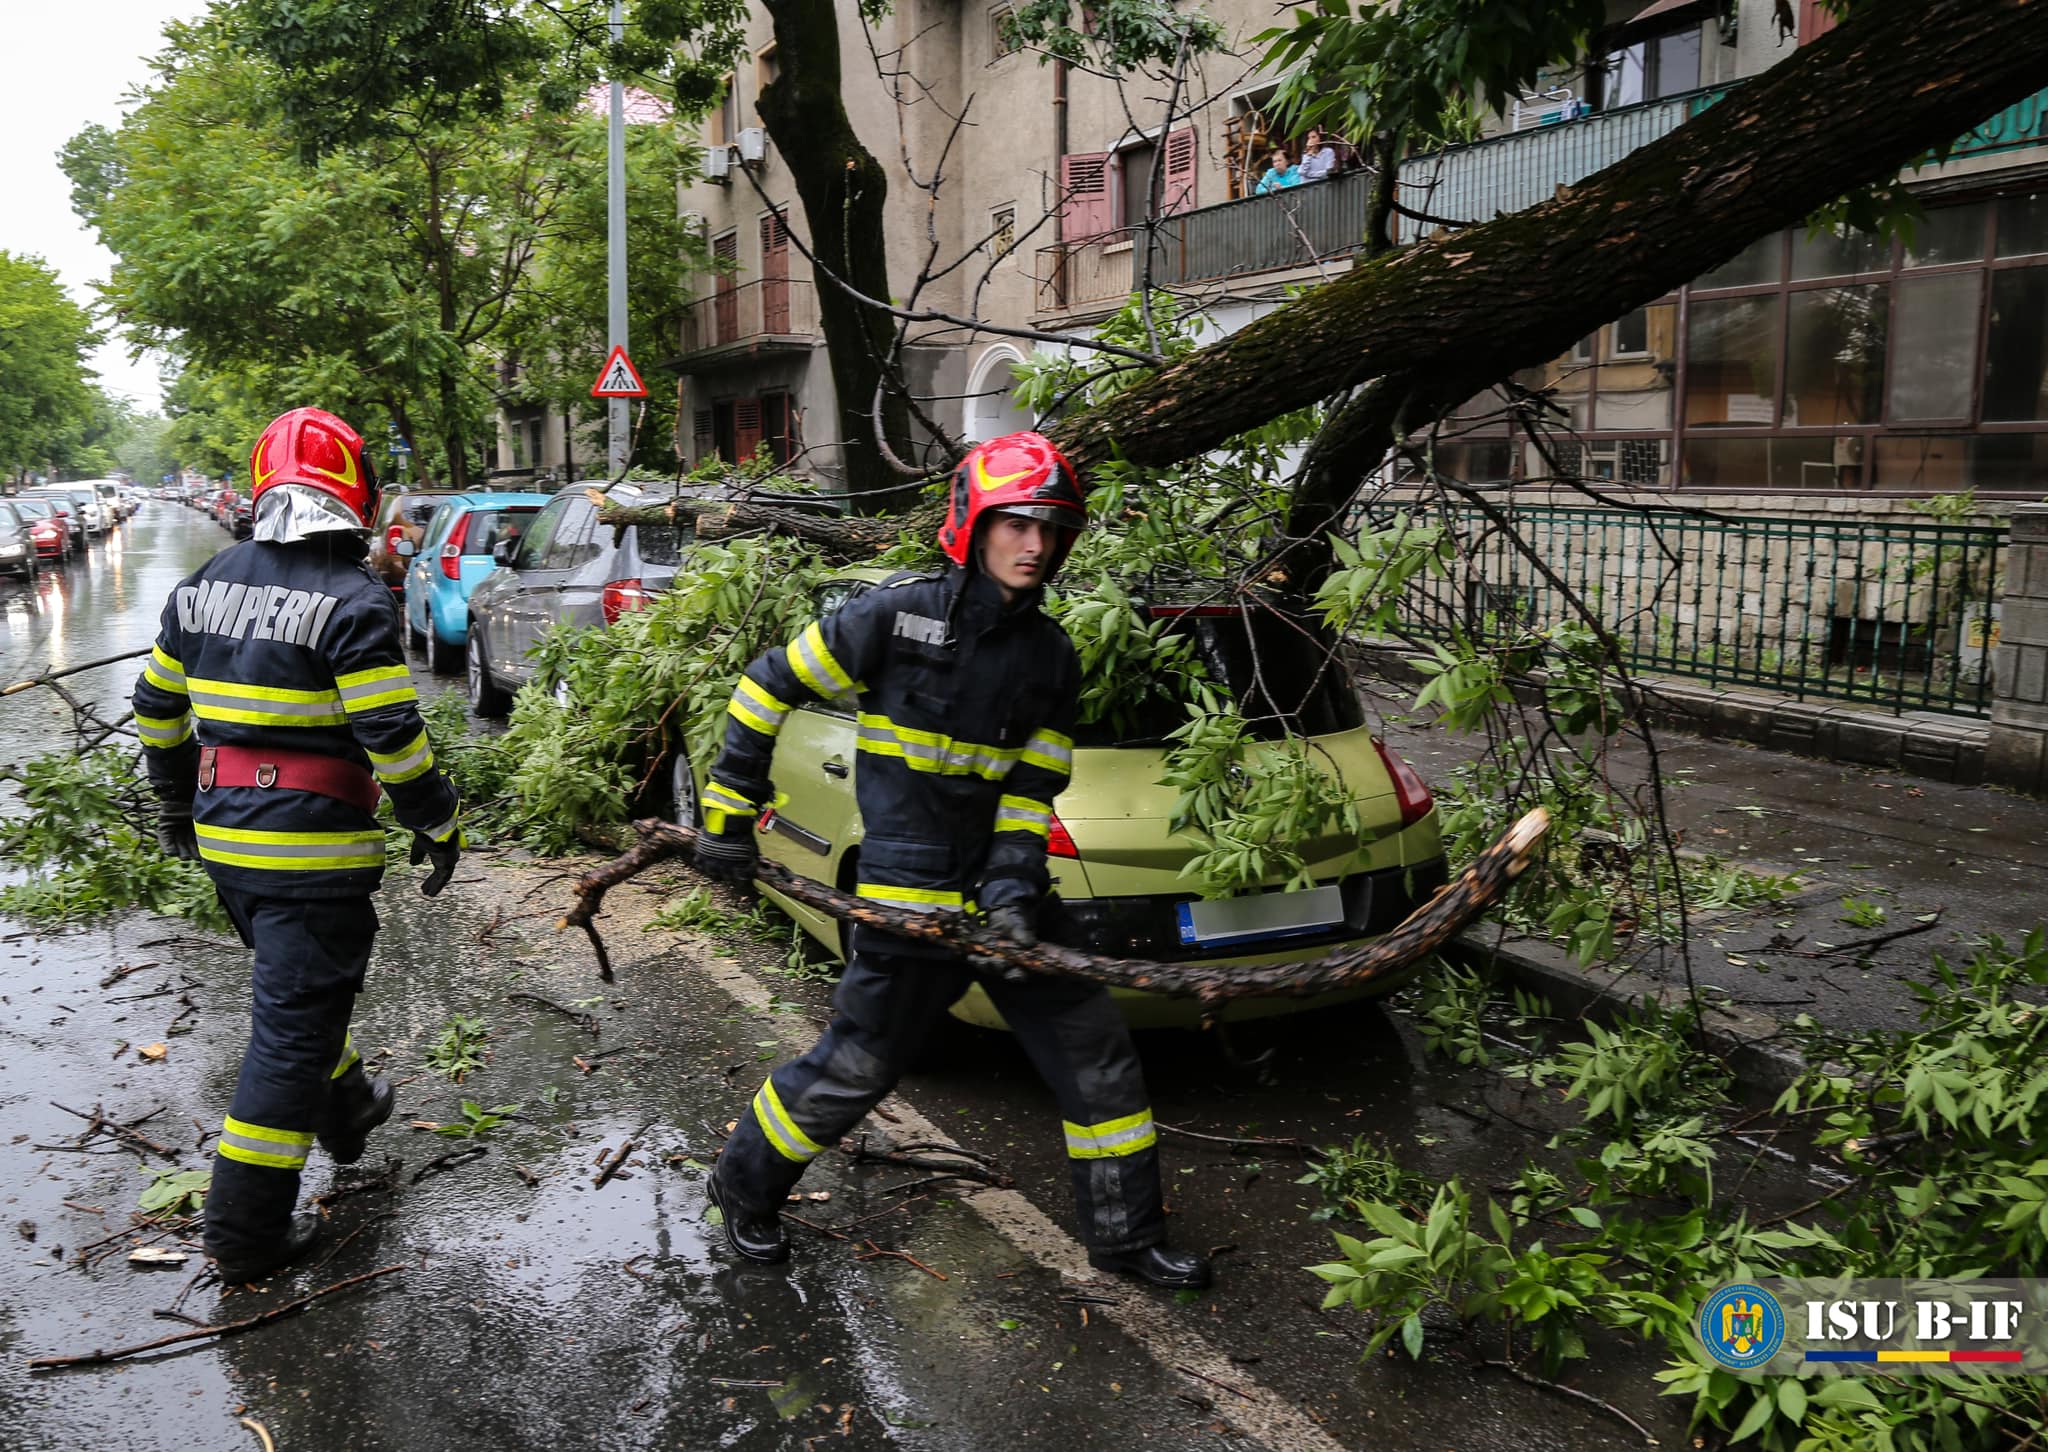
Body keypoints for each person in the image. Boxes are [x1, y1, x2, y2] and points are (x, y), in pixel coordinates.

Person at [693, 430, 1210, 1291]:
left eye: (1051, 528)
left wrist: (1013, 886)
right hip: (907, 900)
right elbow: (764, 685)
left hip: (1011, 903)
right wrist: (726, 814)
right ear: (973, 524)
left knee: (1097, 1054)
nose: (1036, 545)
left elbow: (1031, 788)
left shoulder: (1052, 655)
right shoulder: (891, 618)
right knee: (857, 1066)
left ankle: (1126, 1236)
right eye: (1017, 524)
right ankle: (743, 1187)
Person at [133, 407, 464, 1282]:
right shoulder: (353, 600)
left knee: (296, 995)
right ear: (355, 490)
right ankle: (243, 1233)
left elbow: (156, 706)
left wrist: (173, 805)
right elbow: (390, 730)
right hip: (310, 855)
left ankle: (349, 1104)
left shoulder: (201, 584)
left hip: (227, 843)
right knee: (288, 1034)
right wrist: (437, 820)